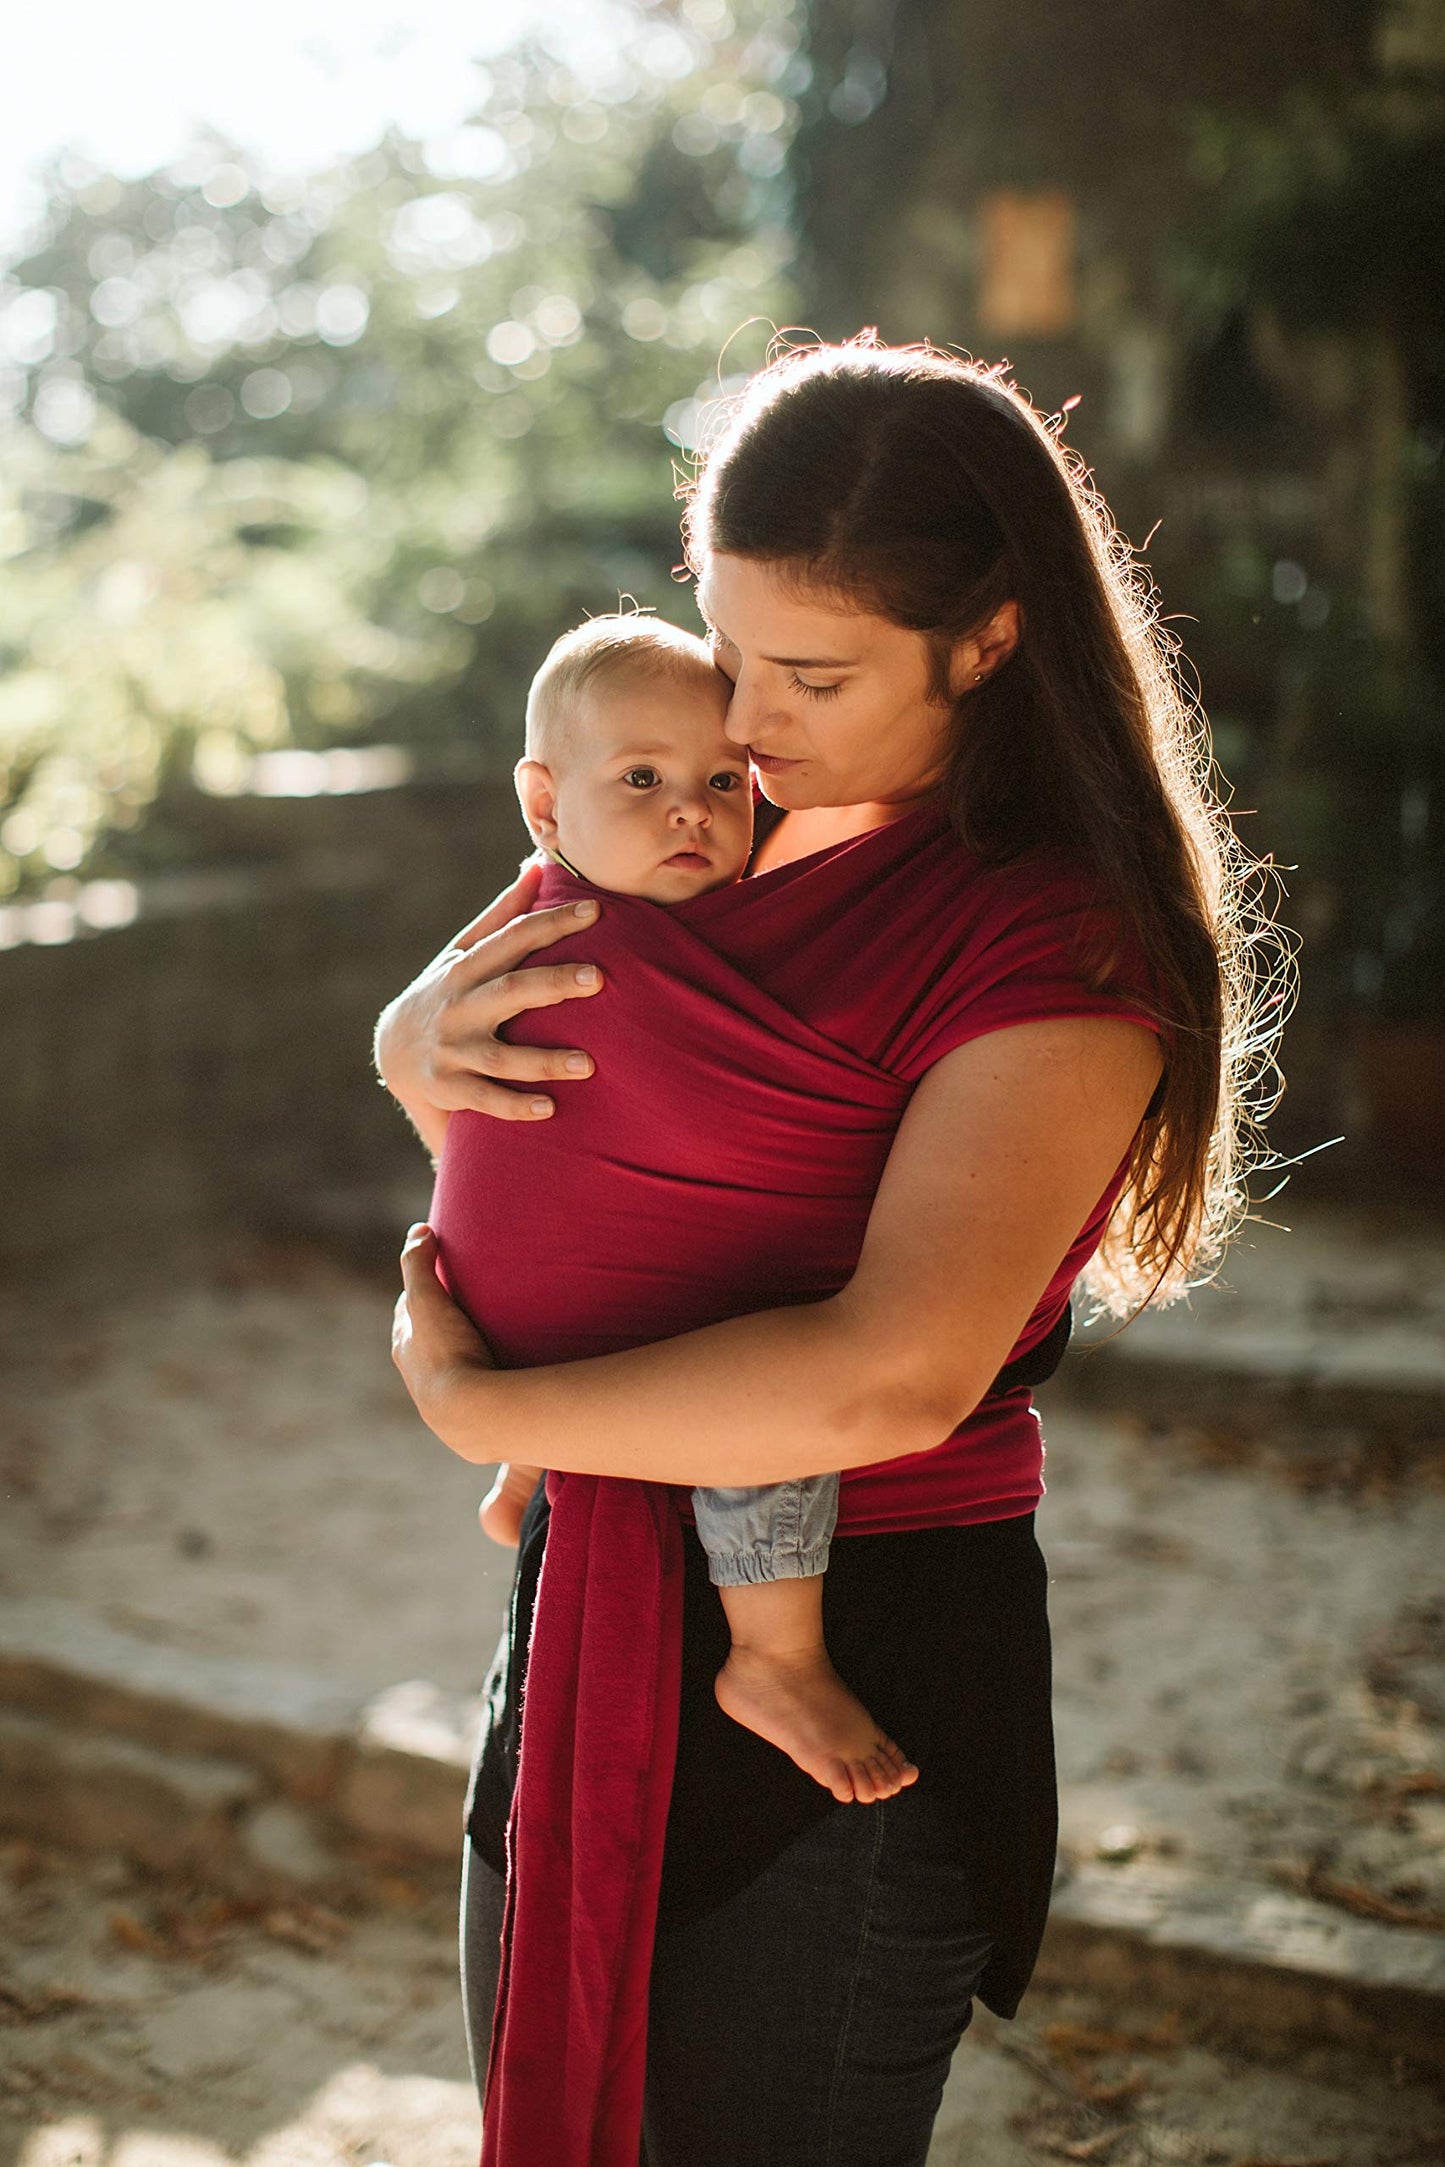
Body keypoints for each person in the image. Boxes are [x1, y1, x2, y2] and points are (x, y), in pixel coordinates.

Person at [377, 336, 1281, 2167]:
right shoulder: (706, 812)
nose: (752, 729)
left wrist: (493, 1406)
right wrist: (410, 1043)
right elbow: (554, 1127)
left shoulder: (1053, 938)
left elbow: (897, 1369)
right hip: (588, 1599)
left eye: (813, 675)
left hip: (849, 1656)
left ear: (992, 638)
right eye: (729, 649)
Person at [453, 606, 918, 1803]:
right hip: (597, 1302)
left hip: (527, 1306)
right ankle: (773, 1651)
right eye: (643, 776)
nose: (690, 810)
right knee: (767, 1390)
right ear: (545, 805)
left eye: (723, 779)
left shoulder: (681, 922)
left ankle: (533, 1456)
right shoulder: (547, 921)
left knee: (730, 1327)